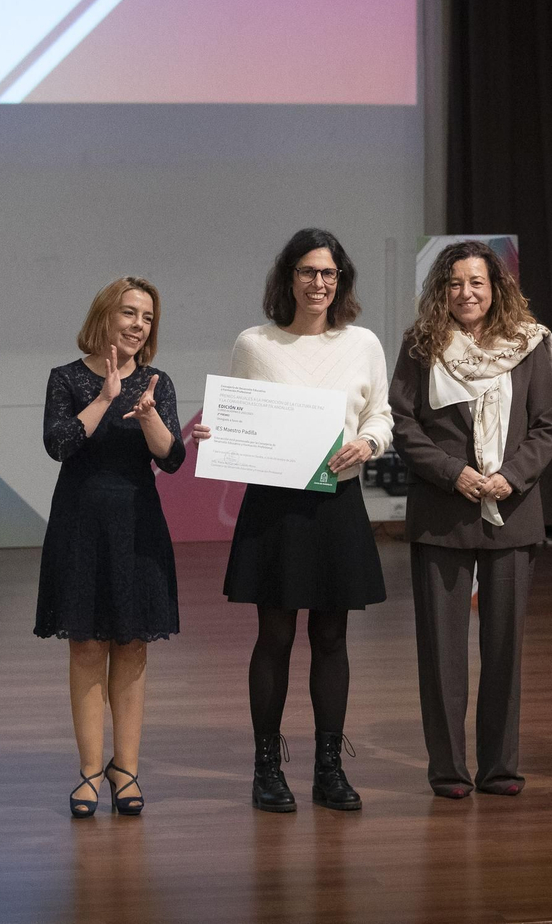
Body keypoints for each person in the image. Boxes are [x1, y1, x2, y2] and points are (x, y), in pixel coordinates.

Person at [221, 228, 392, 812]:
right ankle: (266, 768)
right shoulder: (255, 344)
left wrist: (368, 443)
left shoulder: (363, 343)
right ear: (288, 278)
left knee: (332, 636)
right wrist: (217, 436)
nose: (318, 283)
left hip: (337, 502)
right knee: (275, 635)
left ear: (339, 281)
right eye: (307, 272)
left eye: (329, 274)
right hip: (276, 506)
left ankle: (328, 768)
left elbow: (381, 415)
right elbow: (236, 421)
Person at [389, 241, 552, 799]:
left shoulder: (530, 345)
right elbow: (404, 425)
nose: (467, 293)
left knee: (505, 646)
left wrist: (511, 476)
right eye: (456, 283)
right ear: (443, 290)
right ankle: (448, 770)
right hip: (443, 512)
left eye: (478, 282)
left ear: (497, 288)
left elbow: (547, 427)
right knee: (442, 651)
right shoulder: (421, 345)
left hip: (512, 511)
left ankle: (501, 768)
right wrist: (454, 473)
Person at [36, 277, 187, 817]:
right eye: (129, 312)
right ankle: (88, 771)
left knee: (131, 644)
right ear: (105, 315)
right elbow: (60, 444)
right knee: (86, 646)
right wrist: (104, 398)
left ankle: (127, 769)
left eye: (147, 317)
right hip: (79, 523)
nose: (138, 324)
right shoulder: (67, 379)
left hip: (137, 524)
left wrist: (148, 416)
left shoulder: (156, 382)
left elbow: (172, 459)